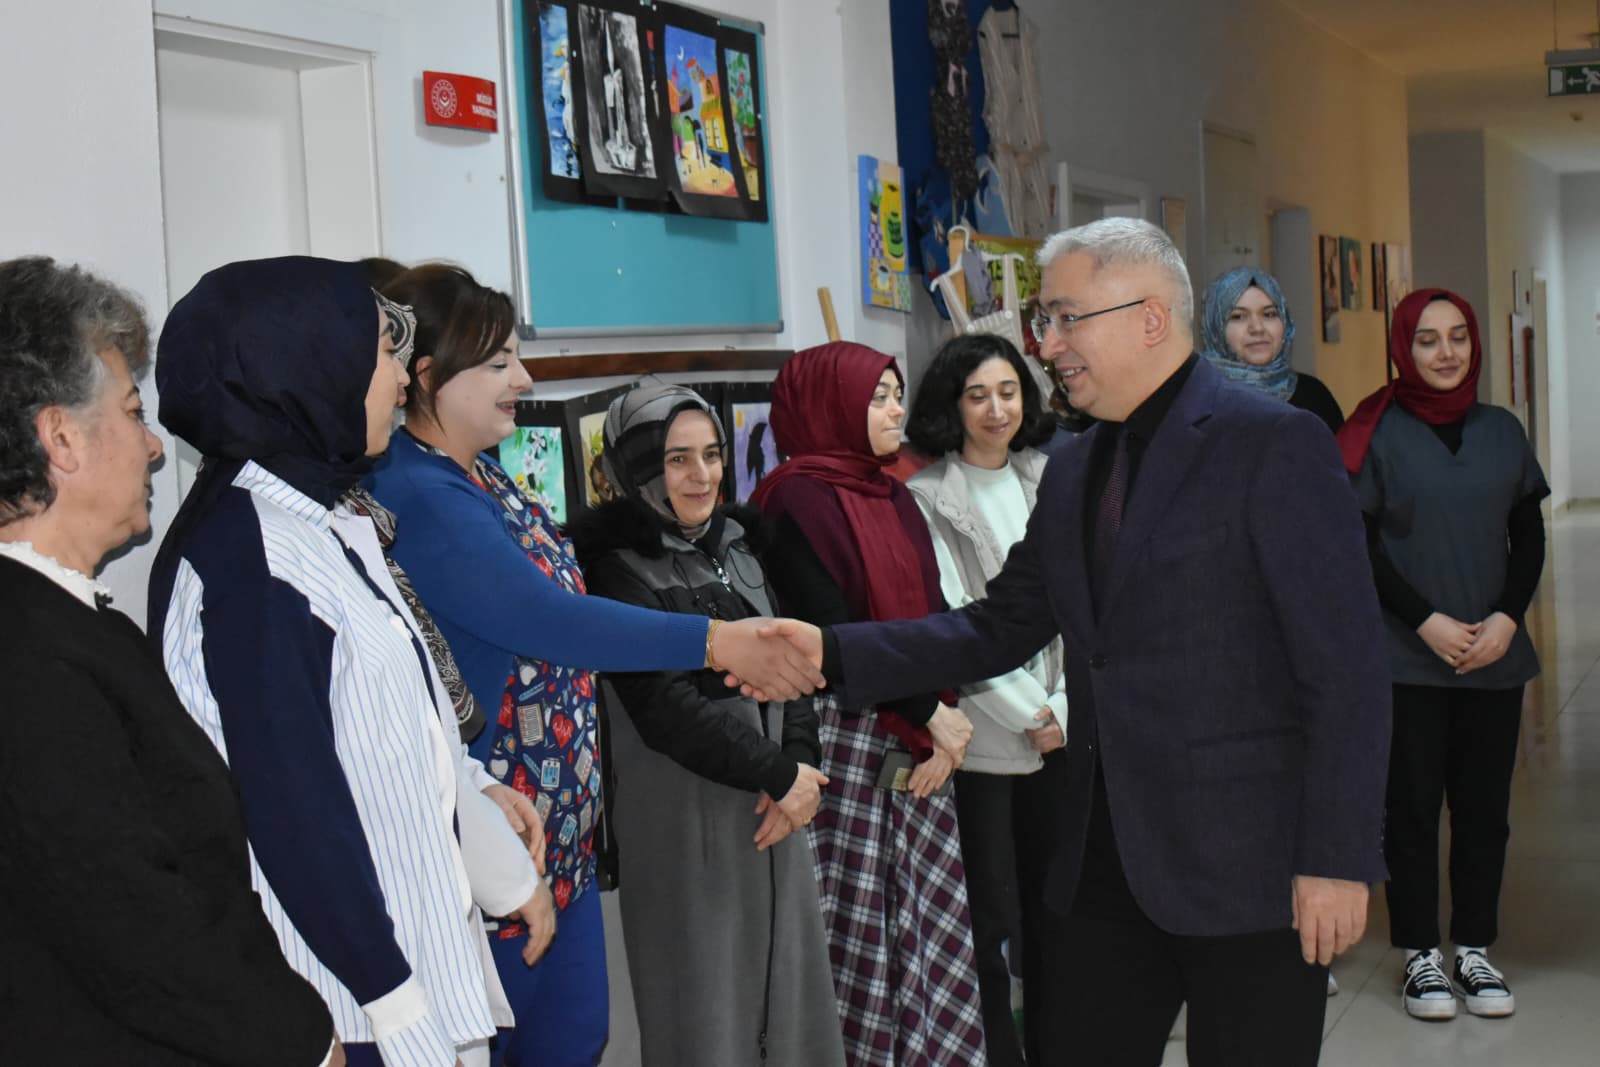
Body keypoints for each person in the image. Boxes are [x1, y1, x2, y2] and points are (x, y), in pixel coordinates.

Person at [762, 219, 1392, 1066]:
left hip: (1252, 871)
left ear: (1150, 318)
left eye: (1065, 318)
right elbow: (998, 625)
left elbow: (1346, 671)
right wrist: (829, 652)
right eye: (1044, 321)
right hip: (1102, 866)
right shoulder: (1074, 466)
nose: (1046, 344)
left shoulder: (1272, 444)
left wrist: (1338, 859)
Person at [363, 264, 822, 1067]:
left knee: (575, 1040)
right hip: (495, 841)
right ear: (425, 375)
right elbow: (551, 619)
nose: (524, 378)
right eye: (499, 361)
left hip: (560, 835)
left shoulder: (481, 473)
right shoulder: (421, 492)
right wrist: (716, 641)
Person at [148, 255, 555, 1067]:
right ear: (305, 367)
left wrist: (483, 821)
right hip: (352, 1009)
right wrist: (392, 998)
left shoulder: (318, 518)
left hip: (397, 983)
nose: (402, 378)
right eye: (381, 352)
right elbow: (293, 808)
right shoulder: (253, 561)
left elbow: (395, 734)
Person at [0, 256, 341, 1065]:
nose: (154, 446)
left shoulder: (71, 624)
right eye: (130, 412)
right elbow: (132, 920)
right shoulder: (29, 657)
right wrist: (304, 1039)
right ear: (60, 438)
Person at [567, 384, 845, 1067]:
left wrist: (799, 765)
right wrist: (776, 772)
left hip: (775, 811)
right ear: (635, 467)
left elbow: (795, 662)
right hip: (688, 826)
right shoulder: (613, 568)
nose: (703, 475)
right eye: (677, 459)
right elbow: (663, 708)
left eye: (713, 455)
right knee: (705, 1007)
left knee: (792, 1004)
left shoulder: (743, 543)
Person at [752, 341, 988, 1067]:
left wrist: (941, 718)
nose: (895, 411)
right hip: (849, 745)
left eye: (896, 394)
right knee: (855, 939)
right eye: (877, 397)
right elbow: (837, 629)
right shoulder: (793, 499)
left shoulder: (891, 491)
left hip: (916, 742)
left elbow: (936, 616)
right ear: (832, 406)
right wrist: (930, 715)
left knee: (920, 932)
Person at [1337, 289, 1547, 1022]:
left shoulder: (1502, 430)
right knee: (1412, 807)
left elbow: (1529, 533)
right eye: (1427, 340)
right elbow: (1359, 544)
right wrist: (1424, 621)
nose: (1446, 352)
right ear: (1404, 347)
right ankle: (1420, 953)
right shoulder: (1377, 431)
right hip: (1406, 655)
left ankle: (1475, 948)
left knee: (1485, 809)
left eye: (1458, 336)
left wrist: (1507, 618)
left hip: (1493, 655)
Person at [901, 332, 1068, 1066]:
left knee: (1060, 910)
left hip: (1065, 732)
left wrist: (1063, 711)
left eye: (1008, 392)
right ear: (952, 405)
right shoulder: (926, 498)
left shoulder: (1055, 476)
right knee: (990, 916)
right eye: (978, 395)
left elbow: (1088, 605)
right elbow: (958, 619)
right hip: (987, 743)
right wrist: (1031, 713)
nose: (997, 409)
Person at [1200, 266, 1344, 433]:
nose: (1257, 328)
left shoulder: (1314, 396)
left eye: (1269, 314)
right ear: (1215, 329)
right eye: (1238, 317)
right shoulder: (1197, 401)